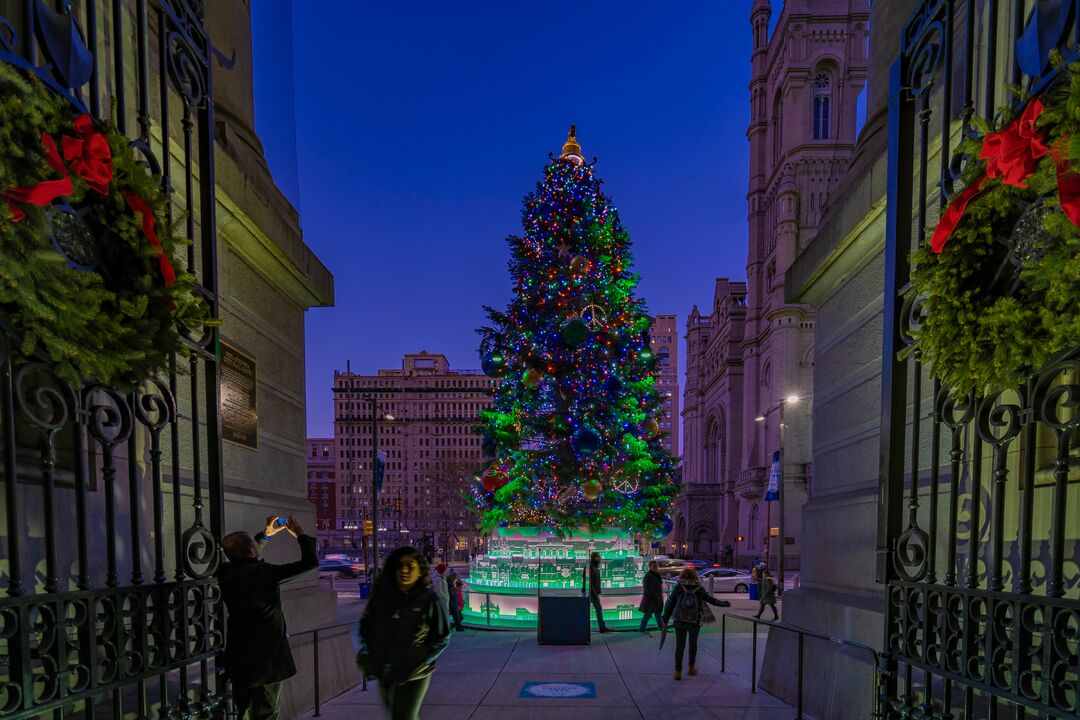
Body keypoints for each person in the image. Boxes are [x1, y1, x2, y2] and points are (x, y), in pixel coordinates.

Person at [218, 515, 318, 719]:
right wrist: (300, 534)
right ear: (253, 550)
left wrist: (265, 535)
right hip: (268, 661)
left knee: (243, 710)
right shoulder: (266, 573)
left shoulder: (225, 573)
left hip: (240, 659)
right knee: (267, 712)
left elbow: (244, 556)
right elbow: (310, 563)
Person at [358, 547, 450, 720]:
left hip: (415, 672)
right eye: (399, 566)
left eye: (410, 565)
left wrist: (423, 660)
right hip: (385, 668)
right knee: (397, 715)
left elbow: (443, 636)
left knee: (405, 716)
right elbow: (366, 627)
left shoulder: (429, 600)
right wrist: (368, 652)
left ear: (419, 569)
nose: (404, 570)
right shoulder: (382, 597)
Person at [662, 567, 730, 680]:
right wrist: (724, 604)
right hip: (694, 620)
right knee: (693, 644)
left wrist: (665, 618)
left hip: (679, 620)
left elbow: (670, 602)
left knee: (680, 646)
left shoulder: (679, 587)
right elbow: (710, 600)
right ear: (694, 576)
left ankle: (678, 672)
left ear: (682, 576)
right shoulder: (699, 588)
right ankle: (691, 668)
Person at [583, 551, 614, 634]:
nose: (600, 558)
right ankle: (600, 628)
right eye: (599, 556)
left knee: (596, 610)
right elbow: (589, 582)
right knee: (594, 611)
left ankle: (602, 628)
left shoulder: (594, 567)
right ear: (595, 557)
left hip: (592, 593)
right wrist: (595, 593)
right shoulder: (590, 567)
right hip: (591, 594)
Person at [638, 560, 664, 633]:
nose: (655, 567)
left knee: (654, 615)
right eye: (654, 566)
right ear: (650, 567)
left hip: (653, 600)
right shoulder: (648, 576)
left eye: (656, 566)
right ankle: (642, 629)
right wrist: (656, 596)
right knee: (651, 615)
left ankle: (642, 629)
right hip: (651, 600)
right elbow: (648, 589)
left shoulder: (655, 575)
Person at [446, 567, 465, 631]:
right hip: (453, 604)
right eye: (455, 577)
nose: (455, 578)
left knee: (457, 617)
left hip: (454, 604)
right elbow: (450, 594)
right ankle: (458, 629)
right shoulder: (449, 583)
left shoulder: (450, 583)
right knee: (457, 617)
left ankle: (457, 628)